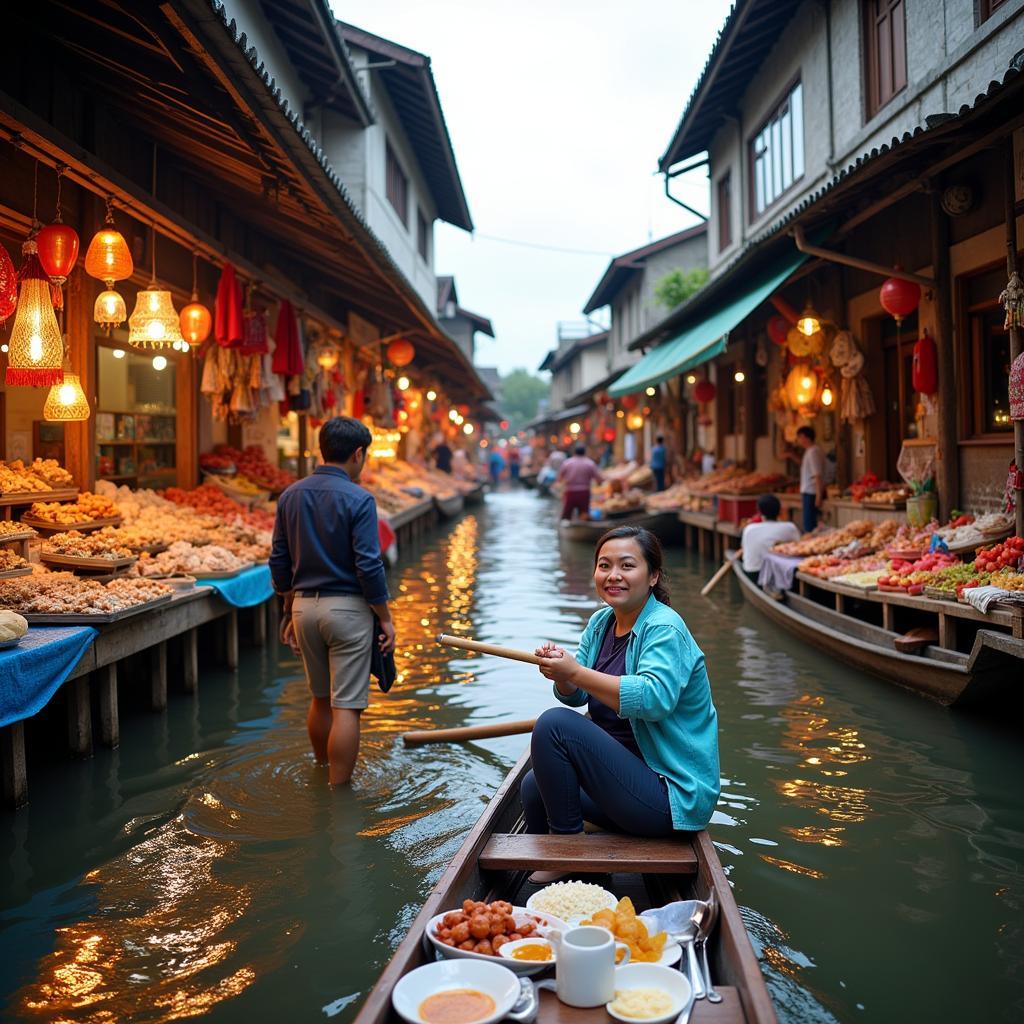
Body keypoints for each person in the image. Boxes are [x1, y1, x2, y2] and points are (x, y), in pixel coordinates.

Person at [521, 526, 719, 854]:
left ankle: (567, 853)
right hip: (631, 781)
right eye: (604, 566)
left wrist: (577, 672)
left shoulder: (664, 628)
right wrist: (562, 674)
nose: (614, 576)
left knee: (553, 725)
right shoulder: (602, 623)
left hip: (669, 795)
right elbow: (576, 695)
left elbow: (654, 700)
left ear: (653, 576)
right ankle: (584, 876)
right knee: (533, 787)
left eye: (627, 566)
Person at [270, 416, 396, 786]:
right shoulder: (360, 499)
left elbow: (279, 561)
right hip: (348, 610)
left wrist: (287, 610)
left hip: (303, 607)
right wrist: (385, 617)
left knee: (319, 698)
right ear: (358, 454)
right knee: (347, 707)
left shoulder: (290, 495)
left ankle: (321, 770)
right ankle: (338, 795)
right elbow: (369, 565)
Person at [740, 494, 800, 579]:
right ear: (779, 511)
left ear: (759, 512)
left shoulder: (749, 529)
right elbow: (798, 544)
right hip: (779, 574)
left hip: (753, 573)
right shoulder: (790, 527)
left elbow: (744, 551)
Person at [557, 444, 602, 521]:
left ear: (574, 452)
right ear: (584, 453)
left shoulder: (567, 463)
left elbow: (559, 479)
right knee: (584, 514)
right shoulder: (590, 463)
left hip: (570, 492)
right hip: (584, 492)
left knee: (566, 515)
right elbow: (598, 479)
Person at [796, 425, 826, 531]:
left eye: (799, 437)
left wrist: (818, 495)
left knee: (810, 526)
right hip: (808, 492)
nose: (798, 440)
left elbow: (817, 474)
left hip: (811, 492)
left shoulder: (813, 452)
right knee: (809, 524)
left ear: (805, 437)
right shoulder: (810, 451)